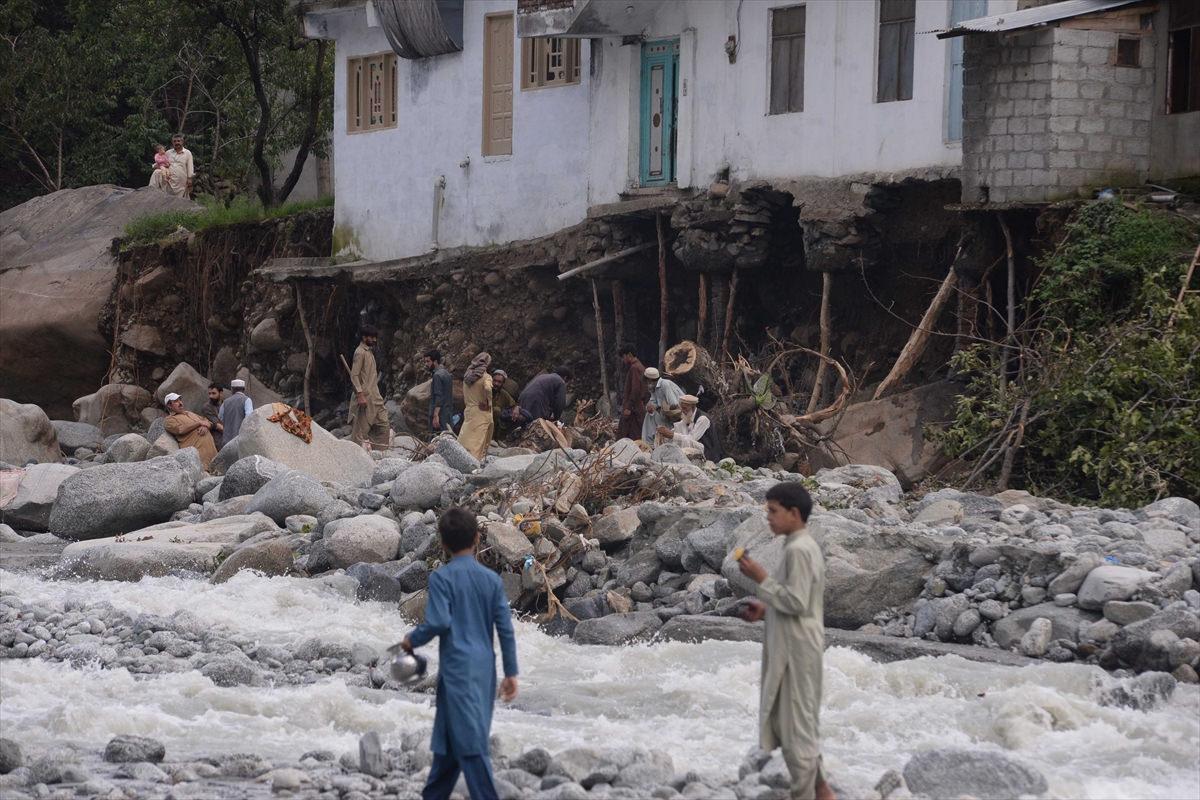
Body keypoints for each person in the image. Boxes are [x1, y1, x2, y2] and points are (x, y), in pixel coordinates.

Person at [400, 507, 519, 800]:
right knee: (451, 747)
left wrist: (411, 640)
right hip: (484, 671)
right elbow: (505, 629)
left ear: (442, 543)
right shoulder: (491, 580)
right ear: (478, 538)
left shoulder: (442, 578)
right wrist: (511, 672)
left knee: (469, 745)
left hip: (457, 671)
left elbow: (439, 622)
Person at [737, 483, 834, 800]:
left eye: (773, 511)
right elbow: (796, 597)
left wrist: (760, 578)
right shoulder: (796, 545)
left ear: (794, 514)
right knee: (795, 722)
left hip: (797, 650)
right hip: (793, 644)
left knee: (796, 732)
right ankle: (822, 791)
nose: (768, 518)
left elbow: (797, 602)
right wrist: (765, 608)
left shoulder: (799, 549)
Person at [349, 325, 391, 449]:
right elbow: (354, 375)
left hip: (375, 397)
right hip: (365, 398)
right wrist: (360, 394)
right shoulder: (360, 352)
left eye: (375, 337)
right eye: (371, 337)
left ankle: (380, 455)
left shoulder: (369, 352)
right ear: (364, 337)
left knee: (384, 426)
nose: (374, 340)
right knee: (360, 432)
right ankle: (351, 456)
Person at [656, 394, 721, 461]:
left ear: (693, 407)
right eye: (681, 408)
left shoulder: (703, 419)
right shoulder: (687, 417)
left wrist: (672, 435)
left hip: (708, 454)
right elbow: (678, 428)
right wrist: (665, 433)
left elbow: (692, 439)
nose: (683, 411)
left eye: (685, 408)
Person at [163, 392, 217, 469]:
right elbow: (180, 429)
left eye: (180, 400)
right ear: (169, 405)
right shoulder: (169, 420)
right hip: (198, 461)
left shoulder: (189, 413)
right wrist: (199, 423)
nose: (180, 403)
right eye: (176, 401)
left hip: (214, 456)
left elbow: (207, 421)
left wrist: (206, 426)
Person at [457, 352, 494, 461]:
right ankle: (473, 460)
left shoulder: (467, 376)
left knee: (465, 435)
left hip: (469, 409)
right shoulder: (486, 377)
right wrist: (489, 402)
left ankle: (459, 456)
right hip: (481, 411)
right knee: (477, 439)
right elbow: (488, 388)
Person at [641, 367, 684, 445]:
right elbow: (654, 400)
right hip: (664, 412)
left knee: (655, 417)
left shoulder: (664, 384)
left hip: (675, 413)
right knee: (649, 415)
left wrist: (660, 407)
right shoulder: (653, 387)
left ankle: (653, 441)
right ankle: (649, 441)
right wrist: (651, 406)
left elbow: (674, 404)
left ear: (650, 380)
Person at [616, 345, 648, 441]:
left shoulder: (635, 368)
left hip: (634, 408)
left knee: (629, 435)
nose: (623, 360)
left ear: (629, 355)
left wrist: (629, 407)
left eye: (623, 356)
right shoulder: (639, 366)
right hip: (636, 406)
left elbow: (636, 389)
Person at [425, 349, 455, 434]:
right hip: (448, 413)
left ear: (435, 361)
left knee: (437, 440)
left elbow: (438, 397)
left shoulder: (437, 375)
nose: (426, 364)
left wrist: (435, 415)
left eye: (428, 361)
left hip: (440, 416)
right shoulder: (447, 373)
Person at [219, 378, 254, 443]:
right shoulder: (247, 400)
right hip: (240, 440)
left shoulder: (225, 402)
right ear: (244, 389)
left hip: (226, 440)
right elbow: (249, 418)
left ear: (232, 389)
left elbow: (220, 417)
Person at [491, 370, 518, 439]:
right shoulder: (486, 389)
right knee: (497, 410)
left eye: (499, 382)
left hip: (497, 417)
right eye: (494, 380)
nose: (496, 383)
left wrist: (516, 408)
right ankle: (491, 437)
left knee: (522, 415)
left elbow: (513, 403)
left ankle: (501, 437)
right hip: (483, 415)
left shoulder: (503, 393)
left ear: (503, 383)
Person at [203, 383, 225, 450]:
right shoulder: (207, 407)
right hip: (218, 440)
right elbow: (218, 425)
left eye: (213, 393)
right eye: (209, 393)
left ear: (220, 393)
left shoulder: (226, 404)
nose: (211, 396)